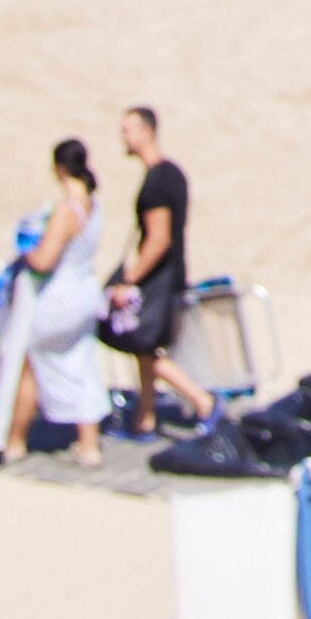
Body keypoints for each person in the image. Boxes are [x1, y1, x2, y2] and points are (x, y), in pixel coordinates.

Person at [0, 135, 113, 468]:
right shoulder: (94, 206)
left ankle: (14, 440)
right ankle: (89, 445)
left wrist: (25, 254)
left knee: (29, 367)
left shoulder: (66, 210)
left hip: (59, 299)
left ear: (58, 168)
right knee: (81, 365)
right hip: (84, 294)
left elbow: (44, 260)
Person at [106, 105, 213, 440]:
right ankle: (145, 417)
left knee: (142, 346)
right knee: (145, 347)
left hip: (159, 277)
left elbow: (158, 237)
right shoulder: (171, 174)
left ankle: (201, 400)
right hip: (170, 272)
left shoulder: (158, 181)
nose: (123, 136)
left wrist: (130, 279)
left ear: (147, 132)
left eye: (128, 129)